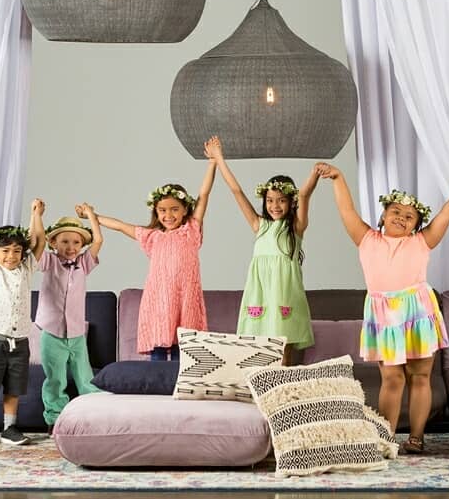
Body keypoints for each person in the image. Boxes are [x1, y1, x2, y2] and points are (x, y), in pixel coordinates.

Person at [317, 163, 449, 454]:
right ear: (383, 216)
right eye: (396, 212)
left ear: (416, 226)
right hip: (383, 315)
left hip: (417, 312)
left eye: (409, 216)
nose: (401, 217)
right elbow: (346, 210)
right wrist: (338, 178)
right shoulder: (366, 239)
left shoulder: (422, 241)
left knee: (420, 377)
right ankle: (386, 437)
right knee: (392, 378)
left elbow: (447, 212)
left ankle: (417, 437)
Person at [90, 156, 217, 360]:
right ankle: (157, 377)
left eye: (174, 209)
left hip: (185, 299)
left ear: (185, 209)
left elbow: (204, 194)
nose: (168, 215)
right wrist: (91, 215)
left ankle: (179, 377)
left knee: (183, 351)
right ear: (156, 212)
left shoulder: (191, 230)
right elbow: (120, 226)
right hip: (159, 301)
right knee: (158, 347)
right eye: (162, 210)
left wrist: (212, 163)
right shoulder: (152, 237)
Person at [206, 135, 316, 355]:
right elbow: (236, 191)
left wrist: (315, 174)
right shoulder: (260, 225)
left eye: (281, 200)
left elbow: (304, 195)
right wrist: (219, 158)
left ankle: (283, 376)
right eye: (270, 200)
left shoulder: (296, 227)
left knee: (284, 341)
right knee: (262, 344)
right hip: (261, 291)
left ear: (291, 202)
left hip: (285, 292)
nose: (275, 205)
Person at [0, 185, 44, 446]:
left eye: (16, 251)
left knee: (14, 387)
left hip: (20, 341)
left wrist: (36, 215)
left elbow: (38, 242)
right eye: (5, 251)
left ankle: (9, 428)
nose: (11, 256)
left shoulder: (26, 269)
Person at [33, 206, 103, 433]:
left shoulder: (84, 263)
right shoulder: (48, 262)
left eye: (76, 242)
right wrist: (37, 216)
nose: (70, 247)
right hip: (51, 332)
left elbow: (98, 240)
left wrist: (90, 215)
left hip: (76, 333)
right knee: (55, 379)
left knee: (85, 378)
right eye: (64, 241)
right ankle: (54, 419)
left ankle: (95, 415)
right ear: (53, 242)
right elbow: (37, 243)